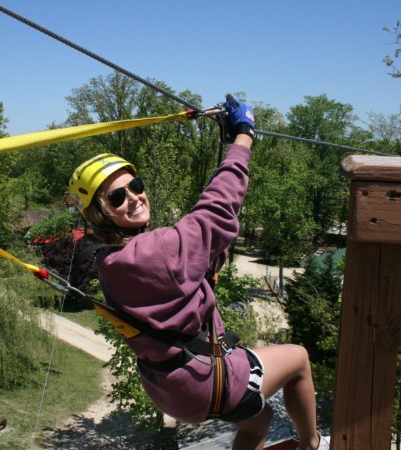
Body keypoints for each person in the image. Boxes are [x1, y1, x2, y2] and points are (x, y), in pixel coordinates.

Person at [68, 95, 329, 450]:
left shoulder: (108, 261)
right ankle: (313, 444)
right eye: (116, 198)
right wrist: (243, 135)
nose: (134, 197)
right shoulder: (153, 251)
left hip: (172, 390)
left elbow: (179, 270)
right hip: (210, 380)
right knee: (298, 357)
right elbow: (218, 209)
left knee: (260, 420)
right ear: (100, 214)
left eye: (137, 185)